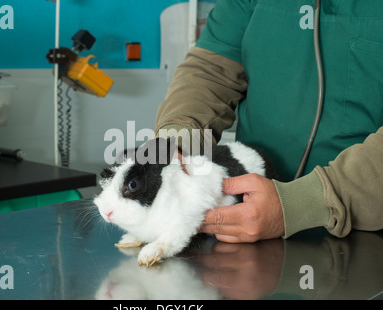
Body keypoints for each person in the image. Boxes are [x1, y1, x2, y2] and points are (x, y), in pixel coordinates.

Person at [154, 0, 383, 243]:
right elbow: (210, 71)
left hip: (364, 242)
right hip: (245, 231)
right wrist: (176, 142)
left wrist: (301, 203)